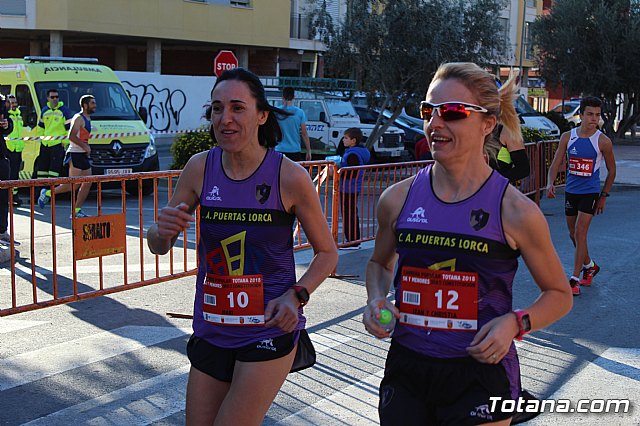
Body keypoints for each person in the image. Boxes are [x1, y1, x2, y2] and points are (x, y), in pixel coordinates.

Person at [363, 62, 573, 425]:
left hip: (480, 375)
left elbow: (558, 293)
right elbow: (379, 264)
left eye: (453, 113)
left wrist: (516, 323)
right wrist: (375, 299)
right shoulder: (397, 199)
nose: (435, 124)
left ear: (488, 124)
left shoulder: (515, 211)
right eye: (428, 111)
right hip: (408, 367)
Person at [146, 68, 337, 426]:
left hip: (267, 328)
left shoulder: (289, 176)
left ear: (261, 115)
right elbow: (160, 243)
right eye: (217, 109)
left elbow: (327, 253)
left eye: (237, 107)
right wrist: (158, 230)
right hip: (213, 325)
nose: (225, 118)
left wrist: (296, 295)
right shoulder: (200, 167)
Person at [546, 96, 616, 295]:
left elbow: (612, 171)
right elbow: (555, 163)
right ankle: (590, 265)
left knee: (580, 231)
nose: (594, 119)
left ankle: (575, 279)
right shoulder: (568, 137)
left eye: (597, 115)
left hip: (591, 192)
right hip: (572, 191)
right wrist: (550, 183)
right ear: (582, 114)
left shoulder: (603, 141)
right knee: (572, 233)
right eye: (590, 114)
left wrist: (603, 196)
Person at [38, 95, 96, 218]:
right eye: (92, 103)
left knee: (88, 182)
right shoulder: (78, 118)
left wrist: (86, 147)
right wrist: (85, 146)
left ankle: (76, 211)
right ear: (85, 105)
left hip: (83, 155)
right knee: (73, 185)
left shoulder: (88, 118)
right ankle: (48, 192)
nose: (95, 105)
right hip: (74, 153)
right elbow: (71, 136)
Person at [338, 127, 370, 250]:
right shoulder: (356, 151)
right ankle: (353, 240)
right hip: (351, 187)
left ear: (353, 140)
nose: (343, 140)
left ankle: (352, 241)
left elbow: (353, 172)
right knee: (350, 213)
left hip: (349, 188)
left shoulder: (352, 154)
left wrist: (338, 172)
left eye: (346, 138)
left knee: (349, 214)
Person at [36, 89, 73, 186]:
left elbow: (69, 129)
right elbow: (40, 127)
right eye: (52, 97)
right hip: (45, 145)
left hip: (57, 145)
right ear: (48, 98)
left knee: (54, 171)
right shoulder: (44, 110)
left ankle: (50, 192)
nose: (55, 99)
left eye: (57, 97)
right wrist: (42, 139)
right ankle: (40, 191)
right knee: (41, 171)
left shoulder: (64, 111)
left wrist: (64, 143)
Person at [274, 87, 312, 161]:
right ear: (294, 97)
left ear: (282, 97)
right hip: (294, 150)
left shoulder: (276, 112)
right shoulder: (300, 112)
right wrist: (308, 150)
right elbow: (304, 134)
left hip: (279, 149)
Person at [0, 94, 15, 244]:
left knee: (3, 197)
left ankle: (2, 231)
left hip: (1, 157)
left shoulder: (1, 101)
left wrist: (7, 124)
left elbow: (8, 122)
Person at [6, 94, 24, 207]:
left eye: (15, 102)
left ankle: (14, 195)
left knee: (15, 173)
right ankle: (9, 196)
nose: (14, 104)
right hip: (9, 147)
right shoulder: (6, 115)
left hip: (18, 147)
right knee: (8, 173)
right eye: (11, 102)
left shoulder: (18, 114)